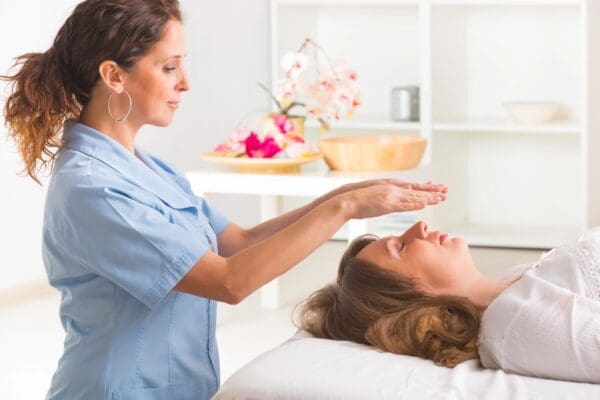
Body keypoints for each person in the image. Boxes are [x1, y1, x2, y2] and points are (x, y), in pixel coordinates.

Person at [1, 1, 448, 398]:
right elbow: (229, 281)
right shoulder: (95, 189)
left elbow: (238, 240)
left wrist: (349, 192)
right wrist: (345, 209)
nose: (186, 83)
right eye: (169, 67)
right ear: (114, 76)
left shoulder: (145, 166)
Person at [297, 221, 600, 384]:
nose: (420, 227)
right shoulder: (514, 325)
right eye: (401, 247)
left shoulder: (513, 280)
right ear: (411, 299)